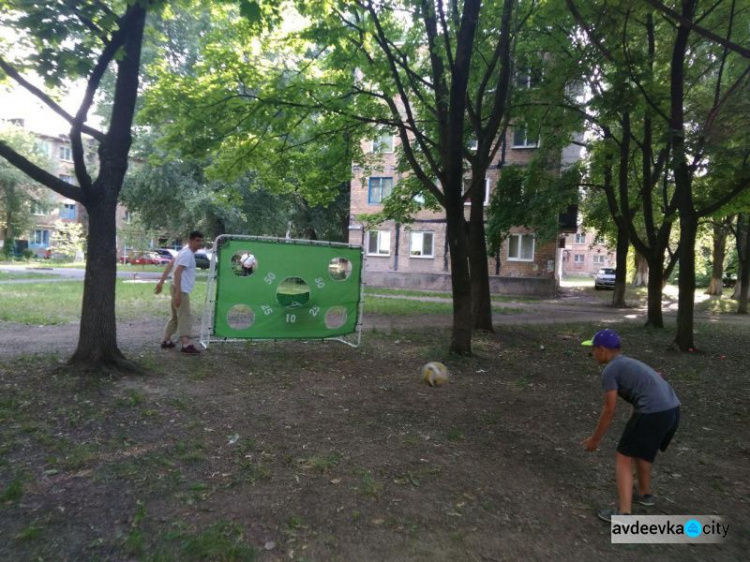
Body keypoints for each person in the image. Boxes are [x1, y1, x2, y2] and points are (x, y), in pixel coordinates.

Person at [581, 329, 681, 522]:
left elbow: (609, 410)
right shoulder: (629, 363)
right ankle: (645, 494)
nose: (592, 354)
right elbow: (649, 387)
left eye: (593, 349)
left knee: (623, 457)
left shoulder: (610, 370)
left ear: (602, 349)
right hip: (672, 410)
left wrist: (595, 439)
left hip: (653, 412)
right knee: (641, 452)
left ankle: (624, 514)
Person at [155, 231, 204, 355]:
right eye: (197, 240)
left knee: (175, 317)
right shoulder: (187, 254)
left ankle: (166, 341)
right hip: (180, 290)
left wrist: (161, 282)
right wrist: (178, 293)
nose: (200, 243)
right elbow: (177, 272)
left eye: (201, 241)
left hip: (176, 288)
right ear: (190, 241)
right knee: (185, 316)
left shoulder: (183, 251)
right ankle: (186, 344)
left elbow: (170, 265)